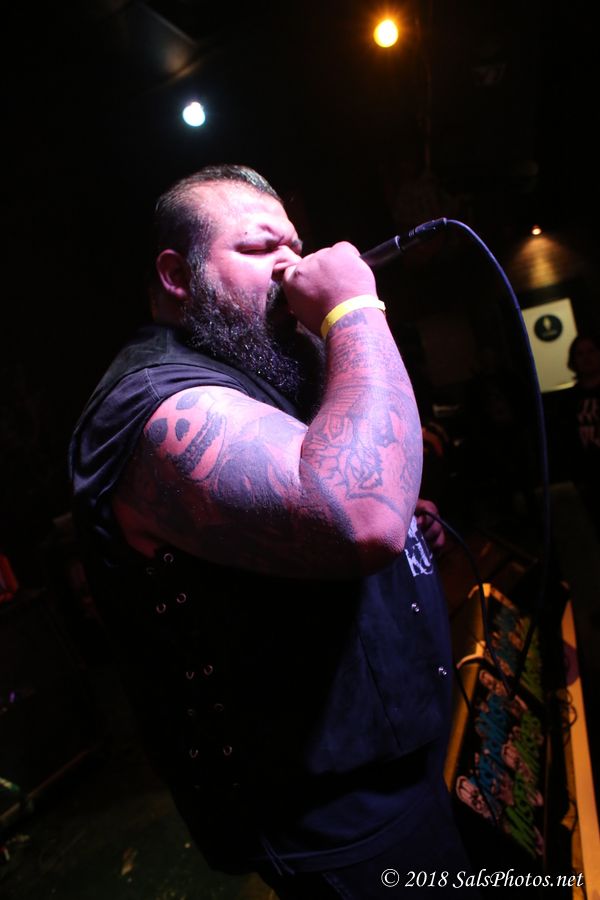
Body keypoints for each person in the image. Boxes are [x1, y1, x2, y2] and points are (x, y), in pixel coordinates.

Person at [69, 165, 477, 897]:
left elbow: (354, 493)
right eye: (261, 248)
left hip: (400, 768)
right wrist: (354, 308)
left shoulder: (262, 367)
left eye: (296, 243)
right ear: (177, 275)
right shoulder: (156, 402)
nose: (293, 265)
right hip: (333, 818)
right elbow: (356, 517)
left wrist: (406, 539)